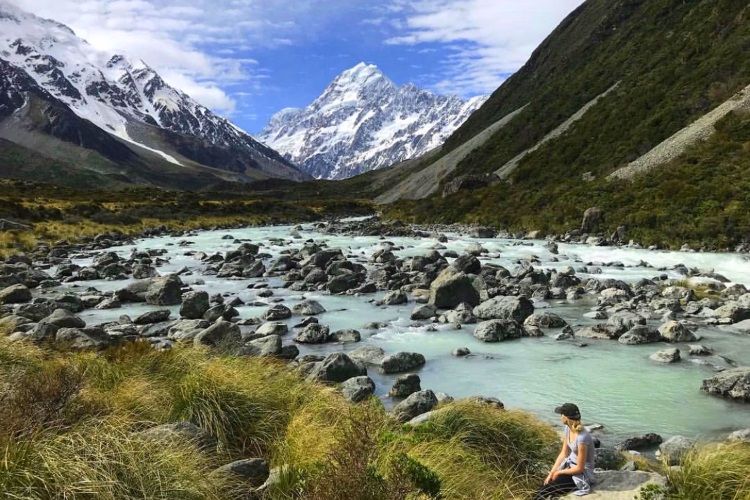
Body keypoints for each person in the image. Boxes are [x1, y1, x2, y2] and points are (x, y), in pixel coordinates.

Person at [533, 403, 596, 499]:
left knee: (546, 490)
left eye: (561, 414)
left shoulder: (582, 438)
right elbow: (564, 453)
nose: (560, 417)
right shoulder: (568, 429)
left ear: (566, 417)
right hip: (569, 467)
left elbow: (580, 468)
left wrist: (559, 472)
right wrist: (551, 472)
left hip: (582, 473)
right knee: (545, 485)